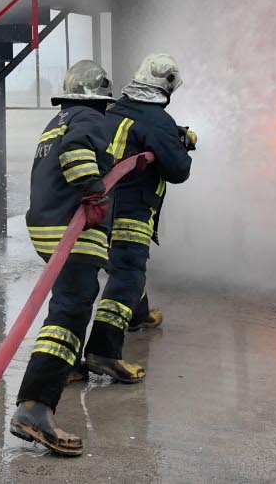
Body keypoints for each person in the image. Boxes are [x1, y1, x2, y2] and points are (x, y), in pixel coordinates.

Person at [9, 60, 121, 458]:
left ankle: (52, 383)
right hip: (69, 227)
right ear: (101, 100)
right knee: (70, 312)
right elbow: (77, 154)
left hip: (44, 224)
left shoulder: (59, 119)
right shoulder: (90, 118)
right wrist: (93, 193)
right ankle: (35, 408)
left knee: (69, 306)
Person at [83, 53, 195, 370]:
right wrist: (181, 144)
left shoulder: (114, 110)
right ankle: (103, 351)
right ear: (167, 85)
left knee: (125, 264)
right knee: (128, 273)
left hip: (99, 207)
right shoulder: (158, 120)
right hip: (131, 209)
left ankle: (138, 315)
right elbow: (178, 170)